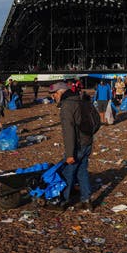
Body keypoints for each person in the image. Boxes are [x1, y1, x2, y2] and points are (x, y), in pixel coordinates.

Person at [51, 82, 97, 211]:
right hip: (87, 142)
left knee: (67, 173)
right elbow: (96, 121)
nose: (53, 97)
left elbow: (68, 131)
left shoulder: (67, 106)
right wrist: (89, 135)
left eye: (54, 94)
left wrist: (70, 154)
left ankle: (62, 202)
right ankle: (86, 201)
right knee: (82, 172)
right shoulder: (82, 100)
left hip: (77, 146)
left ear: (60, 92)